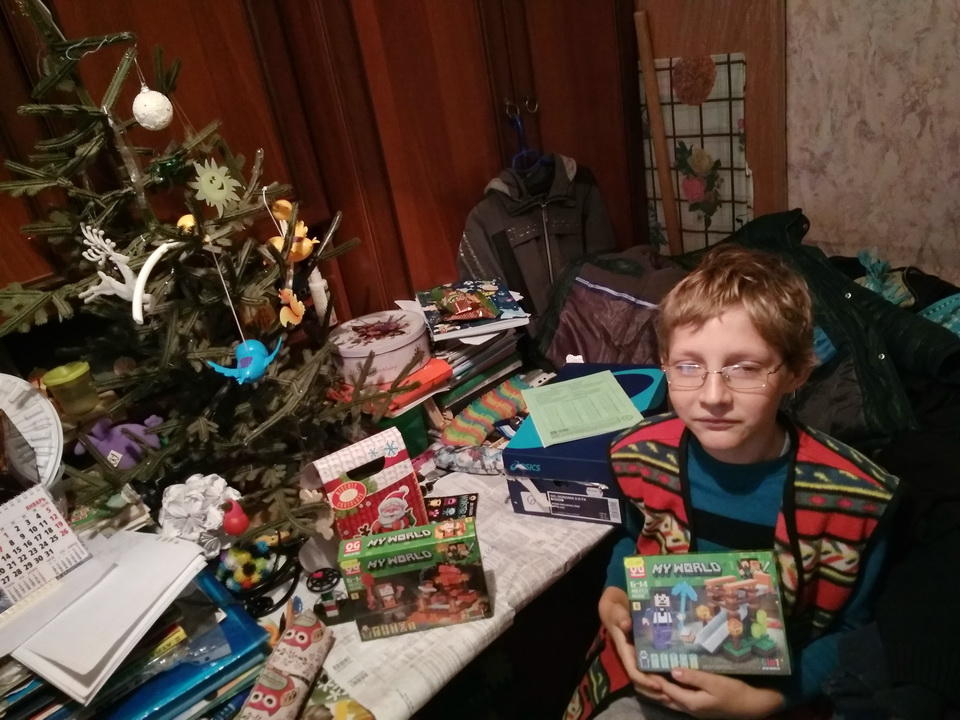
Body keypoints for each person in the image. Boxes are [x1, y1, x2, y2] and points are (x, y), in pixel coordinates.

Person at [566, 245, 900, 720]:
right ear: (664, 364)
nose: (713, 396)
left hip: (777, 695)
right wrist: (615, 591)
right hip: (650, 679)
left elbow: (857, 632)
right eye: (688, 366)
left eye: (745, 368)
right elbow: (635, 540)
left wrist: (763, 701)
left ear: (796, 372)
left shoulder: (857, 500)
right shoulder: (639, 457)